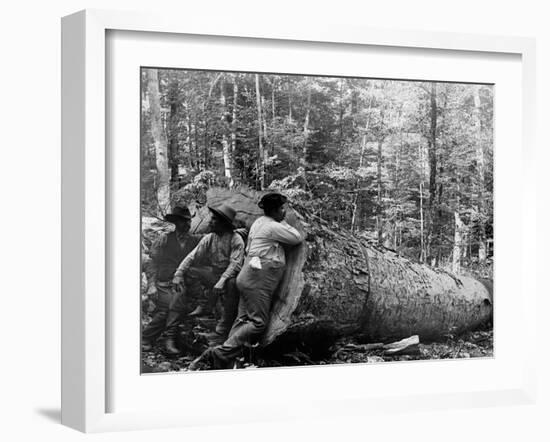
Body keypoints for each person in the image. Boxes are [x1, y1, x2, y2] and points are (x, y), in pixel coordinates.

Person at [195, 192, 303, 369]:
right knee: (258, 323)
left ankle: (224, 359)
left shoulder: (260, 223)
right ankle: (220, 353)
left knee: (242, 319)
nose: (284, 212)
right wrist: (282, 221)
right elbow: (297, 237)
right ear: (275, 211)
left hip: (248, 275)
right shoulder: (272, 226)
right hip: (258, 278)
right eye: (282, 209)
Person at [169, 203, 245, 348]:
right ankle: (204, 304)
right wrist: (178, 273)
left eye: (214, 220)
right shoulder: (210, 237)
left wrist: (222, 281)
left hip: (230, 277)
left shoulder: (236, 239)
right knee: (191, 272)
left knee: (232, 283)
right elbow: (192, 256)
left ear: (223, 223)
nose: (210, 222)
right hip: (214, 274)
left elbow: (235, 264)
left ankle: (225, 323)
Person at [141, 206, 201, 354]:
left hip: (181, 284)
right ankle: (150, 339)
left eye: (189, 221)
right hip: (163, 284)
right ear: (176, 222)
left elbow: (212, 237)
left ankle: (159, 339)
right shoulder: (164, 239)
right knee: (168, 308)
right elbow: (153, 263)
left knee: (173, 304)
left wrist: (236, 232)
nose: (187, 225)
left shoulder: (195, 240)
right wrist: (151, 286)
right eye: (183, 221)